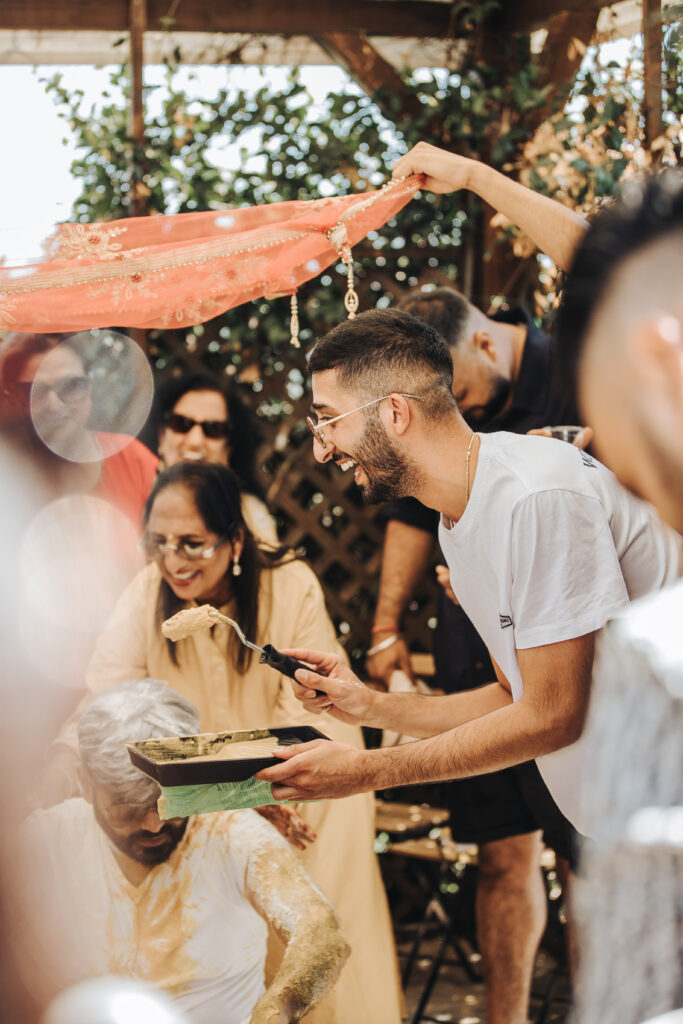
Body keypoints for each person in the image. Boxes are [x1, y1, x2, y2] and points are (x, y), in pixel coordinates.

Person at [256, 307, 680, 847]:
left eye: (330, 420)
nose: (321, 448)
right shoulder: (460, 515)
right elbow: (515, 695)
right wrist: (368, 704)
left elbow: (554, 716)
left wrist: (364, 772)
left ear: (393, 413)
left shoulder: (534, 498)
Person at [53, 461, 402, 1024]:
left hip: (310, 793)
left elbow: (302, 717)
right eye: (159, 543)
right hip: (211, 805)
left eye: (193, 544)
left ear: (234, 539)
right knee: (234, 963)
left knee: (314, 953)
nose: (173, 561)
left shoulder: (290, 585)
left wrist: (253, 795)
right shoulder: (148, 593)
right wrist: (63, 758)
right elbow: (103, 696)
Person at [369, 282, 588, 1024]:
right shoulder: (444, 504)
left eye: (457, 390)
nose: (453, 412)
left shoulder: (578, 370)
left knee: (581, 862)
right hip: (475, 642)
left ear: (487, 345)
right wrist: (384, 629)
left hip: (571, 651)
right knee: (500, 852)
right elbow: (406, 517)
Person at [13, 678, 349, 1024]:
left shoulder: (232, 833)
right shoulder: (47, 839)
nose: (153, 825)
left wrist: (275, 1015)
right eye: (127, 808)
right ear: (85, 783)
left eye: (169, 802)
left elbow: (321, 933)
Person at [0, 332, 157, 527]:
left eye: (70, 386)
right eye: (33, 390)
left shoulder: (132, 458)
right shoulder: (7, 479)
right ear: (15, 399)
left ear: (89, 390)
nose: (53, 404)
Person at [150, 370, 277, 543]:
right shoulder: (131, 488)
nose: (195, 441)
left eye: (213, 429)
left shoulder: (249, 515)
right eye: (181, 424)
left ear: (228, 448)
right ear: (161, 435)